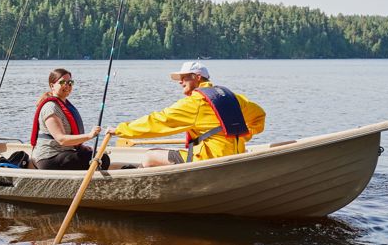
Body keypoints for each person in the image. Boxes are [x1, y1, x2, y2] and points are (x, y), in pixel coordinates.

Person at [108, 61, 265, 167]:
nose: (180, 82)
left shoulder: (195, 103)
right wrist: (243, 136)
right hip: (236, 154)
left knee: (150, 155)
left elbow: (158, 121)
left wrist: (121, 130)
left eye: (183, 77)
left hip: (209, 160)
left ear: (197, 78)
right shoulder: (232, 96)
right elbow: (259, 116)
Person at [30, 68, 110, 170]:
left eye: (70, 82)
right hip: (49, 158)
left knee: (98, 155)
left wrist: (80, 147)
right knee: (102, 159)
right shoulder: (51, 108)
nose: (67, 85)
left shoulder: (65, 106)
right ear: (52, 86)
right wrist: (90, 135)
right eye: (62, 82)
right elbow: (61, 139)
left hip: (64, 153)